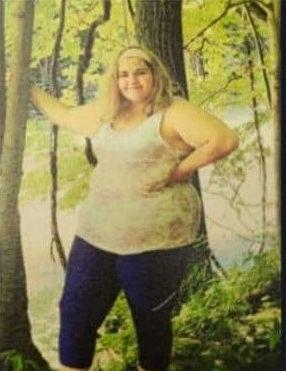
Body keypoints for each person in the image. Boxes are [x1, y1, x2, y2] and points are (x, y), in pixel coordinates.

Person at [30, 46, 239, 371]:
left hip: (154, 238)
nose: (132, 80)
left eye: (140, 72)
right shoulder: (107, 111)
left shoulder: (173, 111)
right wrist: (25, 87)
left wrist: (179, 170)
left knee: (150, 319)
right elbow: (64, 116)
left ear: (155, 74)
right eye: (123, 74)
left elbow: (224, 139)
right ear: (114, 80)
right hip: (97, 232)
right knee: (74, 311)